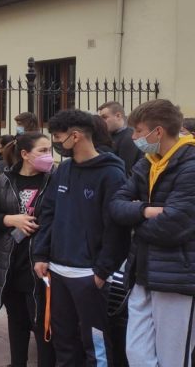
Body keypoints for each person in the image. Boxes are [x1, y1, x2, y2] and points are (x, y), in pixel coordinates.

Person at [32, 109, 130, 366]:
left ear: (75, 136)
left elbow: (116, 228)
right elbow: (49, 213)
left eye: (57, 137)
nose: (55, 143)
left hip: (89, 276)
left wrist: (101, 271)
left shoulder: (112, 175)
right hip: (58, 272)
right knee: (63, 340)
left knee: (95, 342)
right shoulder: (63, 170)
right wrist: (41, 254)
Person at [109, 99, 195, 367]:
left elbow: (174, 225)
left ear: (157, 132)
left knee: (173, 357)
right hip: (142, 271)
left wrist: (134, 217)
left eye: (138, 130)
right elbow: (116, 205)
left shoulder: (190, 166)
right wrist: (147, 211)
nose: (133, 137)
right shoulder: (147, 163)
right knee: (137, 354)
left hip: (176, 277)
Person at [0, 132, 56, 367]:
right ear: (24, 154)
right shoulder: (5, 180)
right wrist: (11, 220)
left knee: (42, 323)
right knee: (16, 321)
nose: (49, 156)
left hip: (42, 263)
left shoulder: (55, 179)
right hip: (11, 263)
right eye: (42, 151)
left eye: (50, 150)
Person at [98, 101, 142, 175]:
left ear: (118, 116)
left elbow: (124, 170)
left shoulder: (129, 138)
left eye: (104, 117)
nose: (102, 122)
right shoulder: (109, 135)